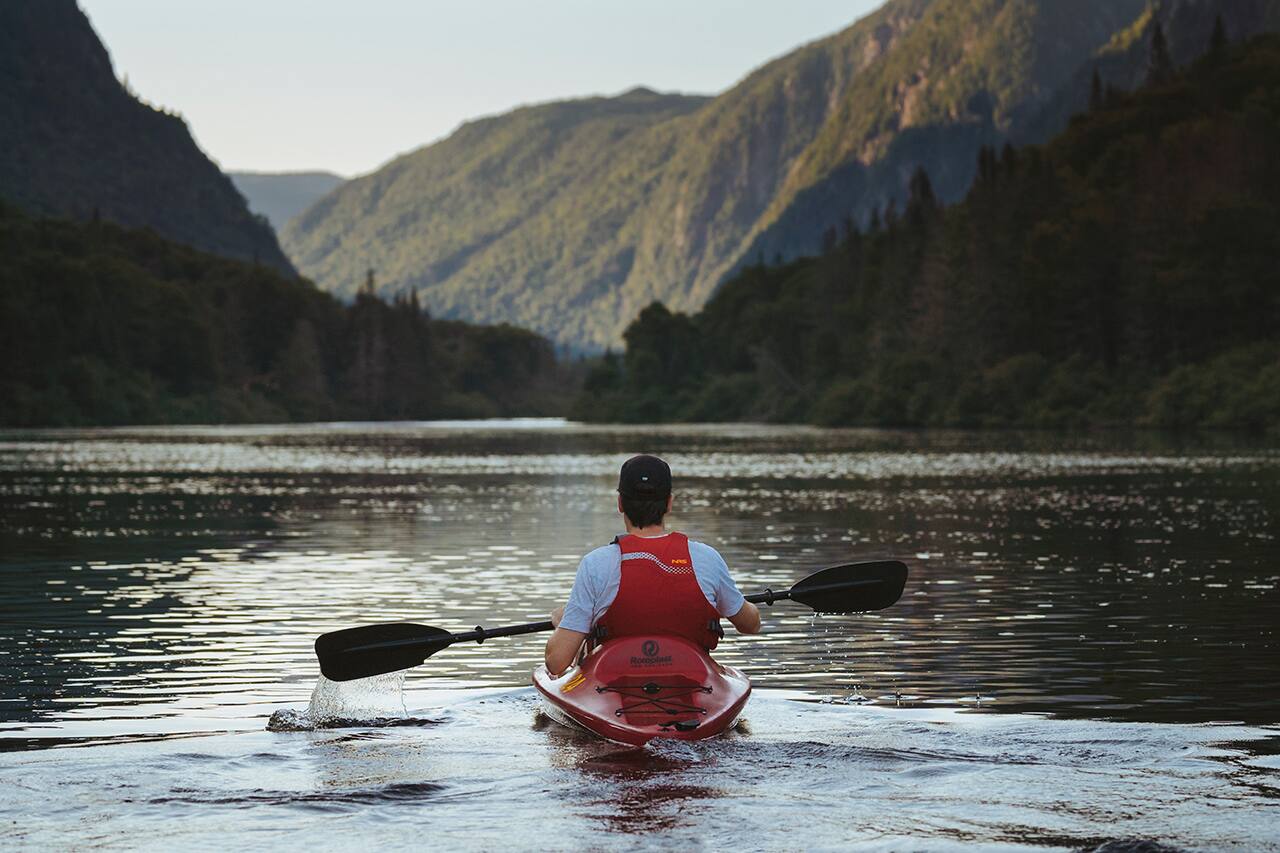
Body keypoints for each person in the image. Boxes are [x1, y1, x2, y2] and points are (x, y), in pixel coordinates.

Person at [544, 454, 761, 675]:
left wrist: (565, 622)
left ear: (620, 504)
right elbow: (750, 625)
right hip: (692, 684)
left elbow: (556, 662)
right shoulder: (707, 558)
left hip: (614, 687)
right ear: (669, 503)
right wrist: (727, 602)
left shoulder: (596, 564)